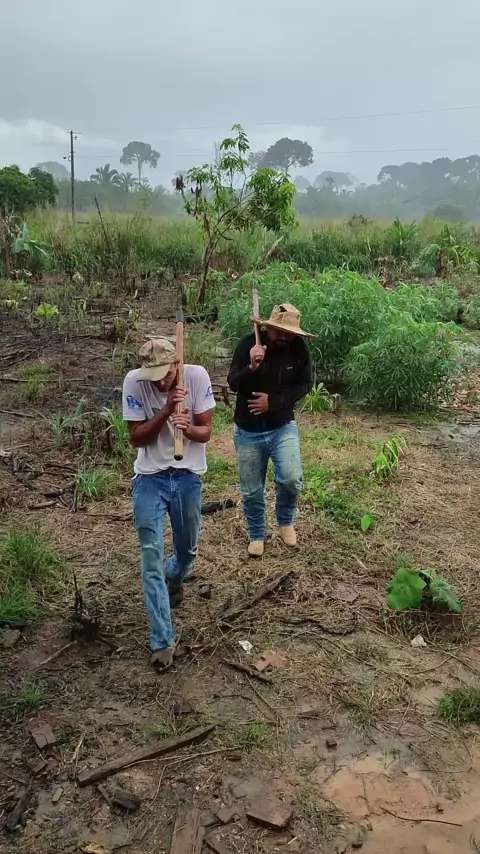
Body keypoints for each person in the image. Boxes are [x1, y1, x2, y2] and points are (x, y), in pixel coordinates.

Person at [123, 337, 215, 669]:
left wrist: (186, 428)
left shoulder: (197, 376)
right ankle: (162, 640)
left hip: (187, 475)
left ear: (177, 365)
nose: (161, 383)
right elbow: (136, 439)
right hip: (150, 478)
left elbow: (206, 432)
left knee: (187, 550)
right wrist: (165, 411)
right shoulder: (134, 381)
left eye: (166, 375)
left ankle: (174, 579)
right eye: (155, 378)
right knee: (151, 558)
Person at [227, 303, 313, 557]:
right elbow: (233, 383)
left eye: (289, 333)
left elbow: (304, 385)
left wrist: (273, 402)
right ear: (268, 327)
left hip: (281, 426)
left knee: (291, 478)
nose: (284, 337)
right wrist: (251, 367)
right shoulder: (248, 344)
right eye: (280, 332)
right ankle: (256, 534)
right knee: (252, 489)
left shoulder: (298, 348)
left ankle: (285, 520)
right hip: (248, 430)